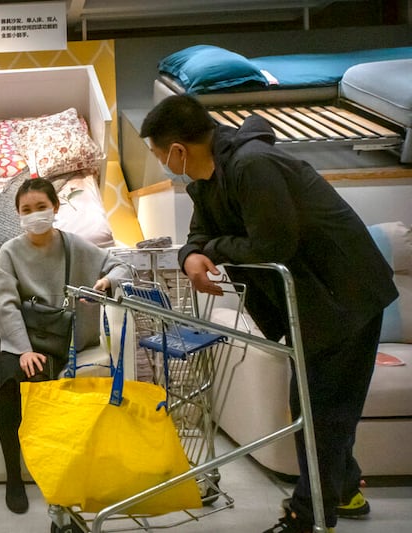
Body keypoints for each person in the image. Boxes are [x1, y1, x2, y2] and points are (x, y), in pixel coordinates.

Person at [140, 95, 398, 533]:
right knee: (316, 403)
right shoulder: (207, 178)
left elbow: (274, 243)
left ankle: (310, 515)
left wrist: (213, 252)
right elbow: (199, 233)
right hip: (313, 300)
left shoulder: (252, 166)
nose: (161, 162)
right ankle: (346, 488)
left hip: (346, 295)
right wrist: (190, 257)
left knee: (320, 410)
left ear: (178, 149)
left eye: (159, 153)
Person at [0, 177, 131, 514]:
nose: (35, 214)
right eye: (26, 210)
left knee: (41, 387)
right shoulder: (9, 252)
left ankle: (50, 471)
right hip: (15, 338)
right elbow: (6, 306)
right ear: (18, 214)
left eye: (41, 207)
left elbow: (122, 265)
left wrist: (107, 280)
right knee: (10, 386)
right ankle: (14, 475)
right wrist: (23, 350)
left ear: (55, 207)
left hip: (56, 340)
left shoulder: (76, 246)